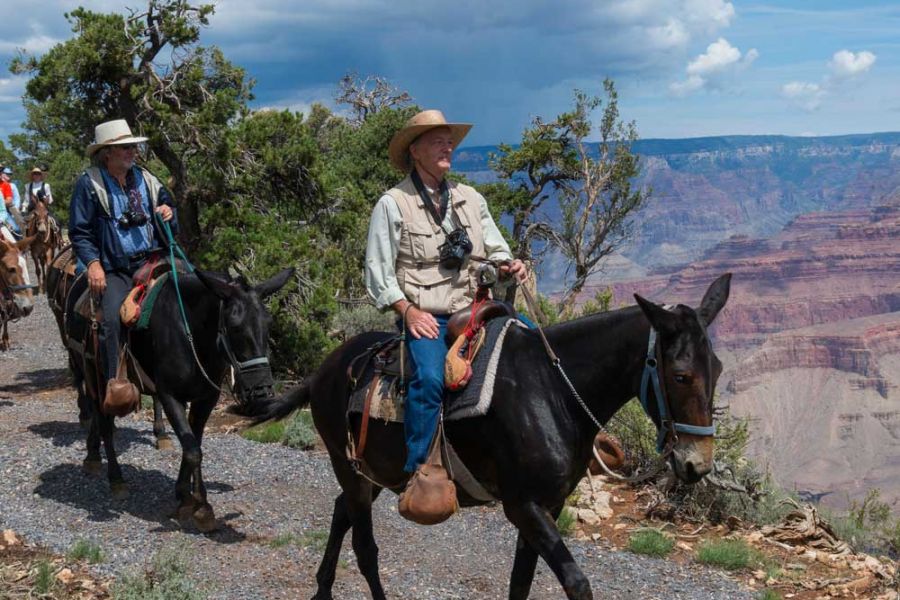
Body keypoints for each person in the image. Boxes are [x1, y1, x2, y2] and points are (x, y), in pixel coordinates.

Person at [365, 109, 527, 474]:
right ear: (415, 151)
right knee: (431, 378)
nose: (448, 147)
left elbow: (495, 244)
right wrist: (408, 311)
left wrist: (508, 263)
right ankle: (419, 467)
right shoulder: (393, 203)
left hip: (475, 307)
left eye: (449, 142)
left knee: (533, 345)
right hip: (429, 315)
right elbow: (378, 270)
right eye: (438, 141)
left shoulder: (470, 197)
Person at [69, 118, 177, 385]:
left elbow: (170, 213)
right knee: (112, 321)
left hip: (152, 260)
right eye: (125, 147)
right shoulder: (89, 184)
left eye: (132, 146)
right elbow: (80, 231)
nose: (132, 151)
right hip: (115, 267)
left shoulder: (148, 179)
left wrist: (169, 214)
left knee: (189, 299)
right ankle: (114, 382)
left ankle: (187, 372)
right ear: (107, 153)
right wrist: (93, 264)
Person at [0, 166, 22, 236]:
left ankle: (20, 244)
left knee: (16, 229)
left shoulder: (9, 185)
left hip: (6, 210)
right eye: (7, 174)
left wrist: (16, 209)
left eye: (9, 174)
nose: (8, 175)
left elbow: (15, 199)